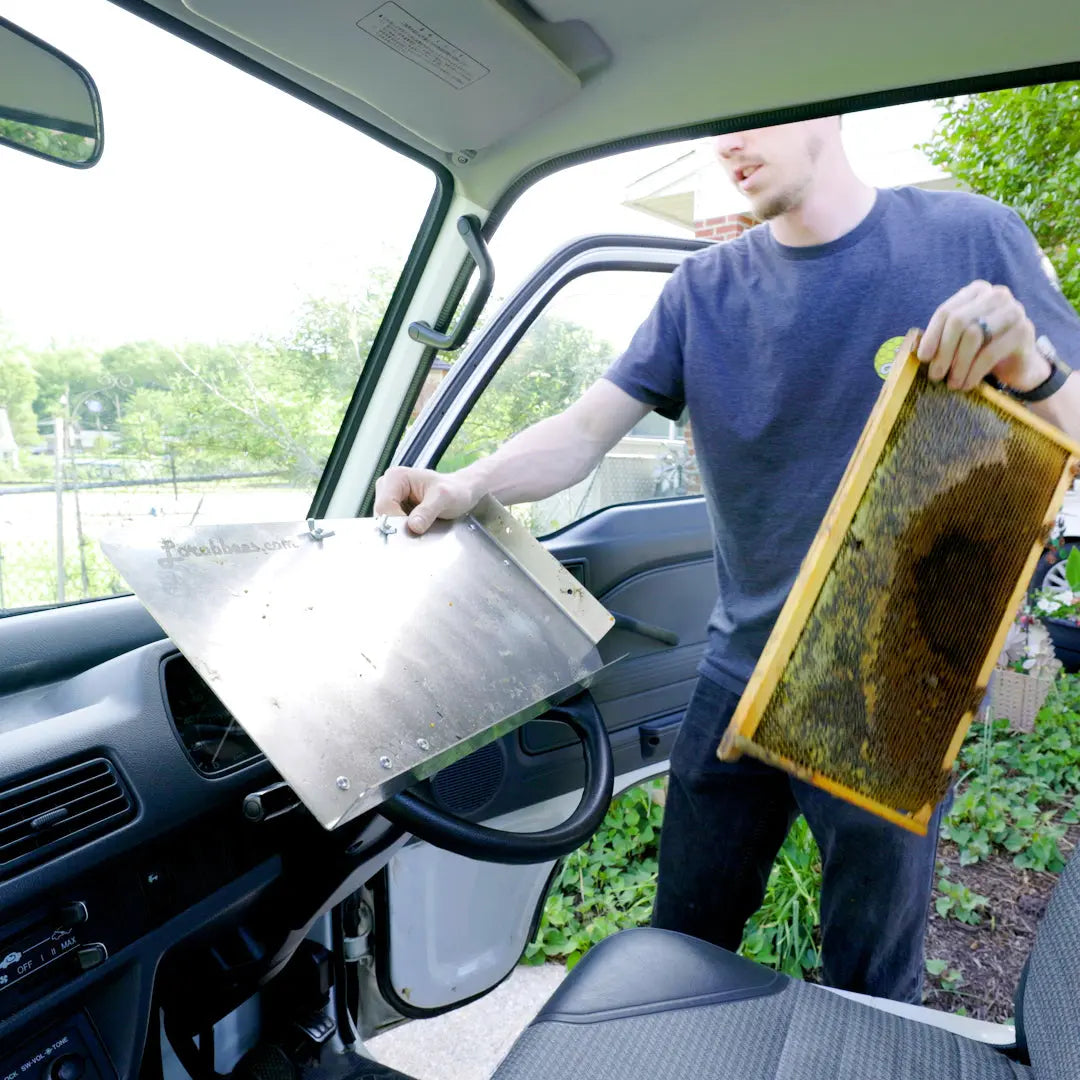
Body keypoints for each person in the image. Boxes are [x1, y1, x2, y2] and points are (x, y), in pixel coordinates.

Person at [375, 116, 1080, 1003]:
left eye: (754, 121)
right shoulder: (701, 290)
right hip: (736, 671)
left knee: (871, 977)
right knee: (683, 940)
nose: (727, 145)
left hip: (895, 686)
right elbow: (583, 433)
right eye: (717, 131)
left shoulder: (969, 238)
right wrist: (464, 481)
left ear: (825, 108)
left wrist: (1028, 362)